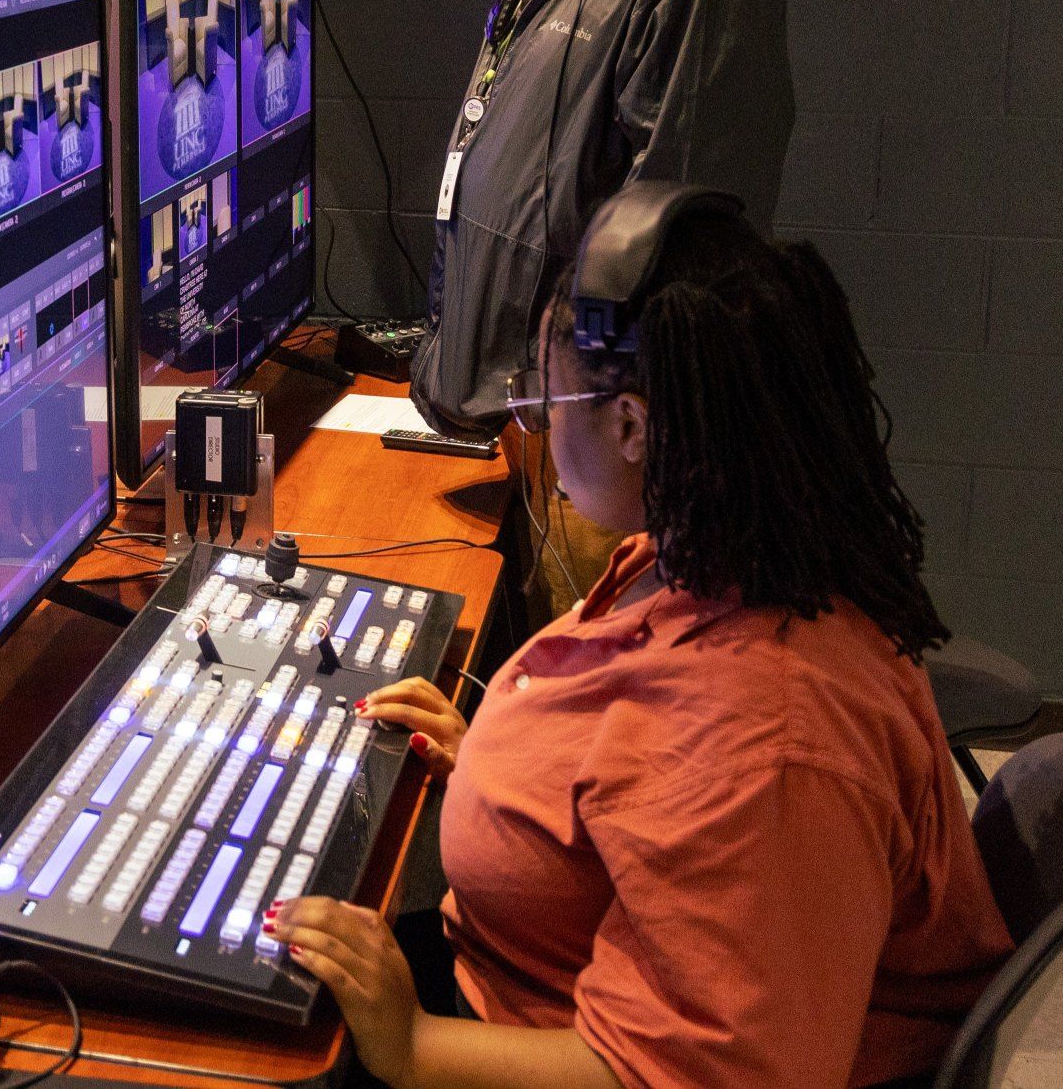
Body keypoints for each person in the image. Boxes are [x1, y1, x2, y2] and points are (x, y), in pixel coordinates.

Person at [274, 191, 1010, 1089]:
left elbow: (698, 1075)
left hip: (528, 1043)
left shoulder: (764, 743)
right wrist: (510, 774)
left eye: (542, 401)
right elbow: (645, 797)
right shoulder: (720, 553)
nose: (529, 425)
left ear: (629, 425)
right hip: (528, 976)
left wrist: (416, 1047)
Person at [408, 0, 796, 611]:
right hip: (547, 443)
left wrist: (603, 446)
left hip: (616, 481)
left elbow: (680, 261)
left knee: (601, 744)